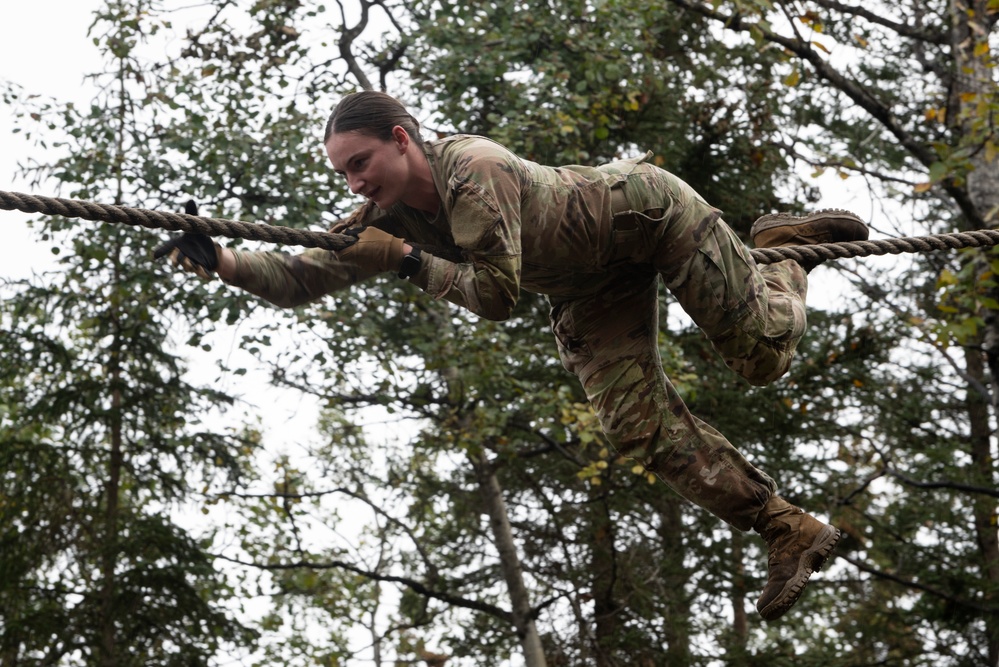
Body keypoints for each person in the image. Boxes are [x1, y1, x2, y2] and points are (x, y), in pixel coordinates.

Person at [156, 90, 869, 622]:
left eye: (361, 163)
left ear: (401, 140)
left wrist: (408, 262)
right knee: (634, 426)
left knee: (762, 356)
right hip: (586, 283)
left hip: (647, 218)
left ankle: (775, 255)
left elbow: (497, 299)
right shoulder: (383, 217)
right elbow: (301, 277)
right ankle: (784, 525)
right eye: (343, 173)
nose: (355, 184)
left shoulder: (473, 168)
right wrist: (220, 258)